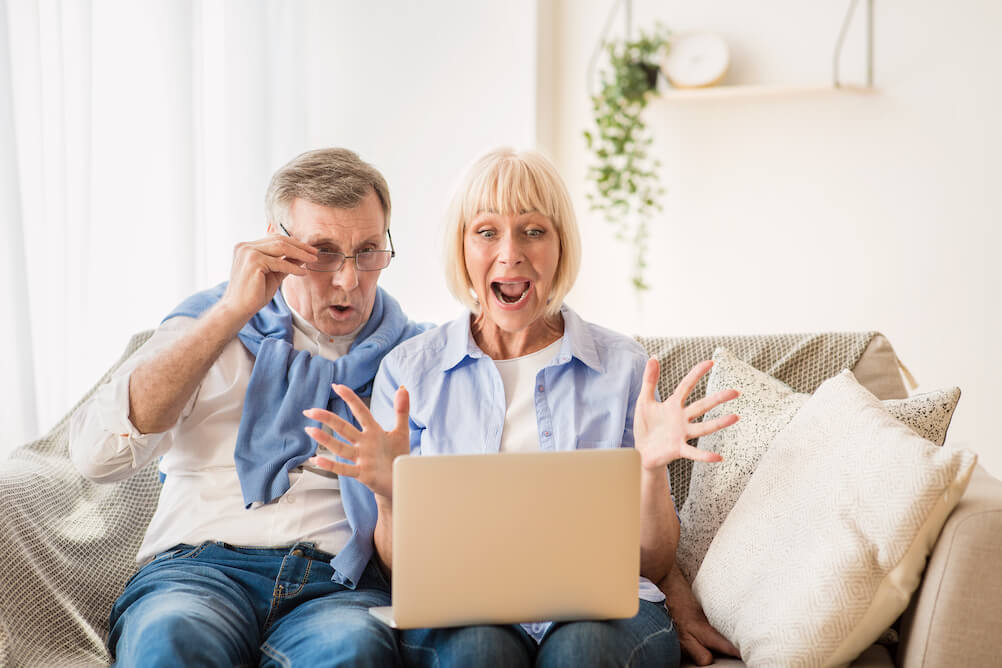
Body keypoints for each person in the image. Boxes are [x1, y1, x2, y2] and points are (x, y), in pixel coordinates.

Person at [304, 147, 740, 667]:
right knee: (478, 650)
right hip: (464, 612)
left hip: (604, 616)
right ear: (462, 248)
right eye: (486, 232)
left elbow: (651, 562)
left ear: (560, 247)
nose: (510, 253)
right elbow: (403, 572)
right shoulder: (410, 373)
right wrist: (392, 495)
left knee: (582, 648)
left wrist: (649, 470)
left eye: (533, 231)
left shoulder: (622, 367)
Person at [68, 148, 428, 667]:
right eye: (323, 251)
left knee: (354, 652)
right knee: (169, 640)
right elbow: (94, 457)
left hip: (337, 584)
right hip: (197, 571)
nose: (349, 280)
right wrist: (233, 313)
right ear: (277, 245)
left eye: (368, 250)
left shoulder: (416, 360)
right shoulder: (205, 327)